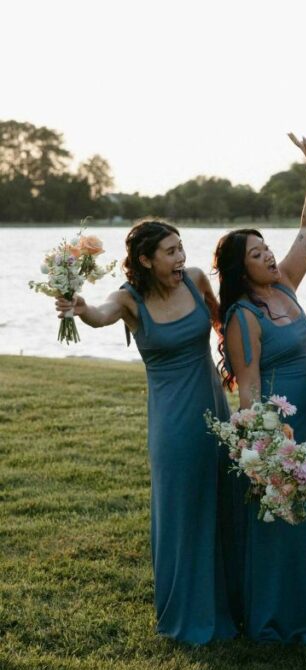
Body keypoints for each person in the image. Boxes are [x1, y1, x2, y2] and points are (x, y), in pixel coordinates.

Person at [55, 219, 236, 645]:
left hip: (215, 406)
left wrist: (239, 363)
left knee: (222, 499)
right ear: (145, 259)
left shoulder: (195, 280)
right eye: (170, 252)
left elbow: (221, 322)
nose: (181, 258)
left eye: (181, 248)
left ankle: (229, 603)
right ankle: (186, 613)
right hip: (174, 420)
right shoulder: (128, 299)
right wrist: (80, 307)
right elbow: (100, 316)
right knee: (181, 510)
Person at [214, 133, 306, 643]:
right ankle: (273, 618)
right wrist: (266, 452)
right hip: (276, 433)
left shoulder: (285, 285)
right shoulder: (243, 315)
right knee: (277, 520)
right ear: (241, 268)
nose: (268, 256)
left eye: (266, 248)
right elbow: (248, 389)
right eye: (257, 253)